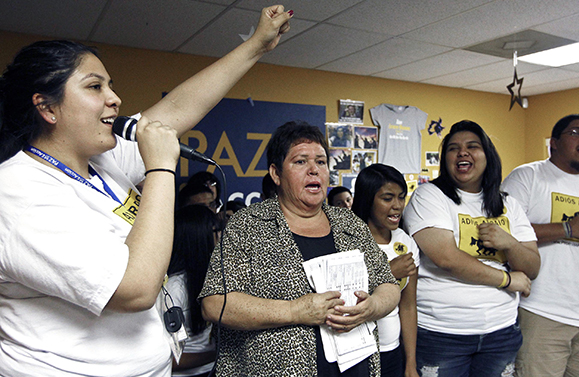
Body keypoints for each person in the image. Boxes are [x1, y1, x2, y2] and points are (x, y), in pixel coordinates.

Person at [0, 6, 292, 375]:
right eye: (94, 87)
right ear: (47, 107)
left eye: (110, 85)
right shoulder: (17, 192)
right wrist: (160, 168)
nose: (114, 98)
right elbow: (135, 289)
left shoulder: (101, 163)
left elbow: (176, 108)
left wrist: (256, 46)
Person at [199, 121, 400, 376]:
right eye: (301, 162)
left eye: (321, 161)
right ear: (276, 173)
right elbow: (215, 304)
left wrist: (372, 307)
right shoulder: (247, 225)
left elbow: (389, 285)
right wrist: (295, 311)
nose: (314, 170)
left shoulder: (350, 223)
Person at [402, 120, 540, 377]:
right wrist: (507, 280)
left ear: (487, 156)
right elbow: (447, 258)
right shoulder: (429, 196)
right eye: (453, 148)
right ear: (445, 160)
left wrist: (508, 242)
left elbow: (532, 266)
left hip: (501, 332)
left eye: (472, 146)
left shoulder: (508, 204)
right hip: (443, 333)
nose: (462, 152)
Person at [501, 114, 579, 377]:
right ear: (553, 143)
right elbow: (502, 234)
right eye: (577, 132)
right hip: (541, 313)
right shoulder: (528, 177)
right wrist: (567, 228)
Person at [351, 164, 420, 377]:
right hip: (357, 353)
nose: (397, 206)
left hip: (392, 352)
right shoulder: (349, 239)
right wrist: (388, 272)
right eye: (387, 198)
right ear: (367, 199)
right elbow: (344, 299)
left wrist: (410, 362)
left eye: (401, 197)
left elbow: (408, 306)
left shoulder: (405, 242)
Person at [166, 205, 221, 377]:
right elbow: (169, 360)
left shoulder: (214, 276)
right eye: (215, 232)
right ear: (199, 238)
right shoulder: (175, 289)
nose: (221, 238)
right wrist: (219, 354)